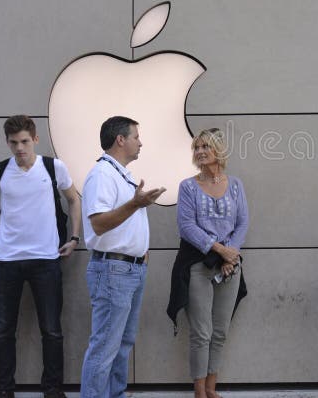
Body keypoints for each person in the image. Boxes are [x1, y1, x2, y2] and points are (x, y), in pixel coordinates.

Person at [0, 115, 82, 398]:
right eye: (13, 143)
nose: (19, 148)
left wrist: (74, 238)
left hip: (46, 260)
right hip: (6, 261)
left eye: (24, 141)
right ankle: (2, 389)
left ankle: (52, 390)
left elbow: (74, 199)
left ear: (35, 139)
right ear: (7, 142)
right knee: (2, 330)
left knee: (52, 330)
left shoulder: (53, 167)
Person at [80, 116, 166, 398]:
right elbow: (99, 223)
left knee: (122, 344)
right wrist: (135, 203)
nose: (140, 142)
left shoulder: (120, 174)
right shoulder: (102, 174)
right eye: (136, 136)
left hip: (130, 270)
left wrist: (141, 254)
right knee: (105, 346)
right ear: (120, 139)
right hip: (113, 270)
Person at [169, 128, 249, 398]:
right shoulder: (188, 187)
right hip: (198, 266)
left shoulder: (235, 185)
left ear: (219, 150)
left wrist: (231, 254)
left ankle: (212, 388)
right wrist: (220, 251)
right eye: (196, 147)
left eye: (205, 146)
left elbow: (242, 223)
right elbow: (187, 227)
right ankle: (199, 391)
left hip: (229, 268)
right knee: (201, 333)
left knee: (220, 331)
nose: (200, 152)